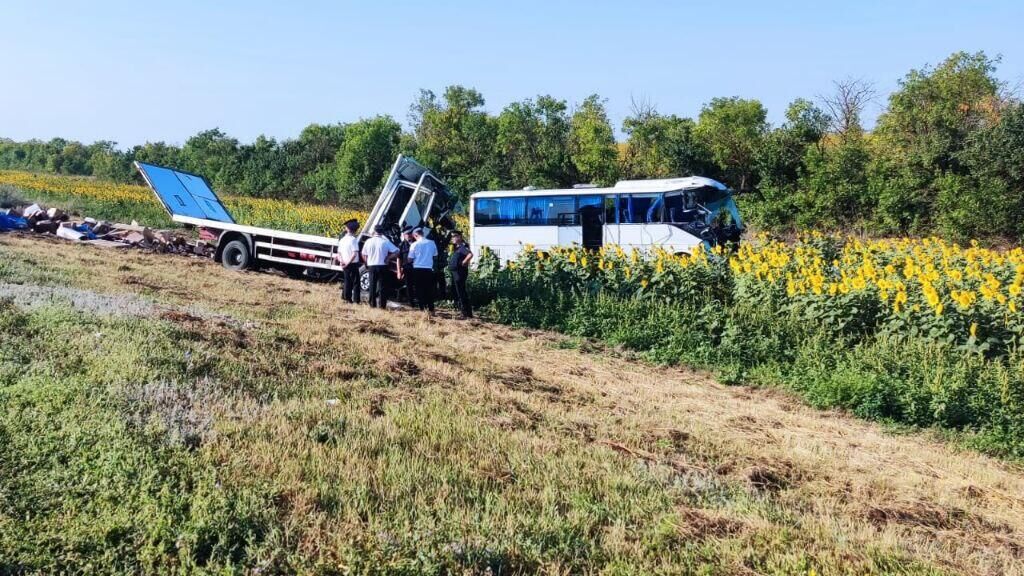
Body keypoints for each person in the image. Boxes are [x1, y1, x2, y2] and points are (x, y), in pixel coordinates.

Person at [361, 224, 400, 308]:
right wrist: (388, 258)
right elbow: (397, 251)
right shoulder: (385, 242)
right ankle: (382, 305)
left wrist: (366, 262)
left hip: (372, 265)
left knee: (372, 285)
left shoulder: (368, 241)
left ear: (374, 231)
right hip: (383, 265)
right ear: (382, 232)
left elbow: (363, 254)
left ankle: (372, 304)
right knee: (382, 286)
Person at [407, 227, 438, 313]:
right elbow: (435, 255)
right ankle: (431, 308)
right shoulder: (432, 243)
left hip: (417, 268)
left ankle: (422, 308)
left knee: (419, 289)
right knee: (429, 289)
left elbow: (410, 259)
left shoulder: (414, 245)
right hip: (428, 269)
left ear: (415, 235)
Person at [448, 231, 473, 318]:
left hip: (459, 273)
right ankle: (464, 311)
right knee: (458, 292)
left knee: (461, 292)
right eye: (452, 237)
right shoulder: (457, 247)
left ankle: (466, 313)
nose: (453, 238)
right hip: (456, 273)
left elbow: (470, 254)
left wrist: (464, 262)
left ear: (459, 237)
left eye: (454, 236)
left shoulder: (462, 247)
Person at [337, 219, 361, 303]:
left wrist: (341, 261)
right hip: (352, 263)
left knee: (347, 281)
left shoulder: (342, 240)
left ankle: (346, 297)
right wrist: (348, 263)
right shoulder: (353, 240)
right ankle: (356, 299)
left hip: (344, 263)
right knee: (356, 282)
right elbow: (354, 254)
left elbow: (339, 253)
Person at [398, 226, 416, 306]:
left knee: (418, 285)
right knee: (409, 286)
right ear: (404, 236)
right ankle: (411, 303)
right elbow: (399, 259)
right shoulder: (402, 245)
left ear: (412, 234)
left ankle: (419, 301)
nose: (408, 236)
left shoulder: (417, 243)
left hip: (417, 268)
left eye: (409, 234)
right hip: (407, 268)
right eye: (406, 234)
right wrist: (399, 271)